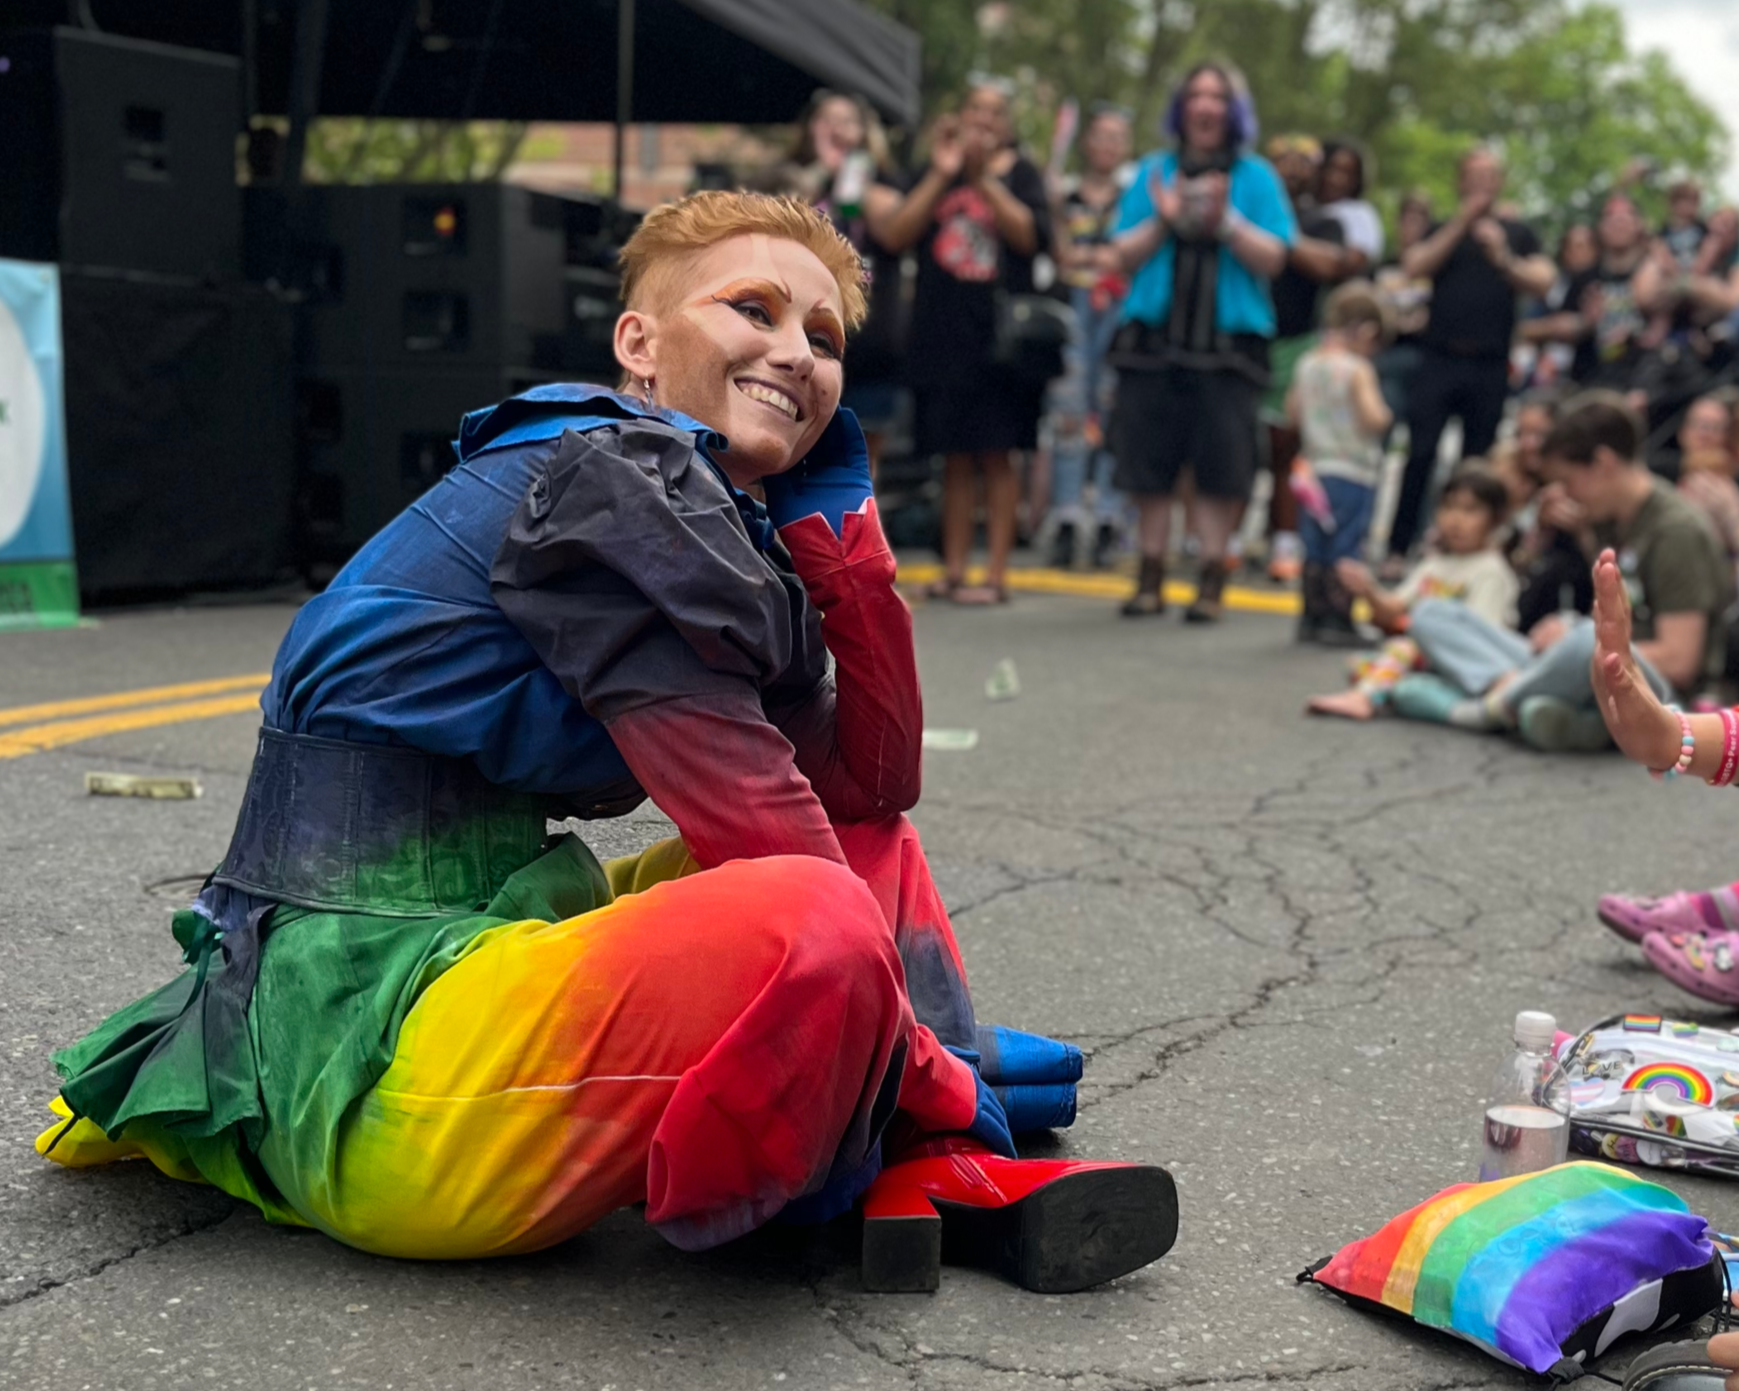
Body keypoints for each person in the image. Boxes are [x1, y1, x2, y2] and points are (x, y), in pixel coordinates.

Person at [32, 191, 1177, 1294]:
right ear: (637, 340)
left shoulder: (692, 507)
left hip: (496, 947)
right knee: (818, 916)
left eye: (822, 335)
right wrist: (930, 1064)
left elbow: (870, 788)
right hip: (368, 1054)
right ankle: (886, 1137)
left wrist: (848, 556)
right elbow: (759, 828)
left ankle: (903, 1155)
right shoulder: (606, 485)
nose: (795, 352)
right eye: (752, 309)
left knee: (862, 851)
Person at [1398, 395, 1731, 752]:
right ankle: (1550, 708)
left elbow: (1681, 661)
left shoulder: (1675, 530)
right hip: (1588, 671)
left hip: (1655, 693)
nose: (1565, 494)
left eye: (1568, 480)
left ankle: (1486, 709)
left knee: (1588, 640)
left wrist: (1573, 637)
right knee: (1431, 612)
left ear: (1602, 463)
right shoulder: (1605, 517)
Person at [1103, 61, 1296, 621]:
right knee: (1149, 461)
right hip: (1154, 339)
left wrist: (1226, 221)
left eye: (1219, 97)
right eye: (1196, 96)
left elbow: (1277, 256)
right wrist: (1165, 219)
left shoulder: (1256, 176)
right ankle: (1151, 574)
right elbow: (1121, 254)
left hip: (1229, 344)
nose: (1206, 106)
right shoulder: (1153, 170)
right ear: (1183, 108)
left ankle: (1212, 576)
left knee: (1222, 463)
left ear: (1232, 111)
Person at [865, 83, 1052, 605]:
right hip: (940, 335)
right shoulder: (934, 169)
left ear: (1008, 125)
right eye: (975, 110)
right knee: (952, 457)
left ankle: (995, 574)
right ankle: (954, 569)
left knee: (997, 453)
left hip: (1000, 341)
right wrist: (945, 172)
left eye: (995, 114)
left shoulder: (1020, 174)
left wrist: (981, 179)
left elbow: (1027, 236)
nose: (984, 121)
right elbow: (896, 234)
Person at [1387, 148, 1555, 563]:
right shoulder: (1444, 228)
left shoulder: (1517, 232)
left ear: (1500, 182)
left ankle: (1463, 547)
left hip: (1490, 363)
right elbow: (1414, 265)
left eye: (1489, 175)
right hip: (1439, 357)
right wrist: (1462, 222)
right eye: (1473, 175)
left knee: (1476, 461)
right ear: (1461, 182)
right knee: (1420, 453)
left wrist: (1502, 256)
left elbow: (1543, 280)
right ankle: (1398, 545)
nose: (1481, 182)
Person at [764, 90, 906, 476]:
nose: (838, 128)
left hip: (869, 339)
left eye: (848, 120)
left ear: (865, 131)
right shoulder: (789, 175)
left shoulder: (884, 180)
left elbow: (895, 231)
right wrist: (823, 172)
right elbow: (775, 224)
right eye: (828, 119)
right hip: (804, 339)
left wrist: (850, 174)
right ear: (811, 127)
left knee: (861, 457)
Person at [1307, 469, 1517, 721]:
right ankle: (1398, 688)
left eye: (1470, 510)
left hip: (1464, 662)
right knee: (1358, 664)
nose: (1456, 520)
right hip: (1428, 659)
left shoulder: (1490, 570)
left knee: (1402, 649)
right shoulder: (1434, 565)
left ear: (1495, 520)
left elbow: (1479, 636)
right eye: (1449, 508)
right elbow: (1393, 608)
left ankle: (1363, 698)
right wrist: (1368, 590)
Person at [1260, 134, 1350, 585]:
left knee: (1286, 447)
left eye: (1302, 162)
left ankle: (1285, 541)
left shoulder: (1323, 220)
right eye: (1282, 159)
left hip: (1296, 341)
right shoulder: (1247, 210)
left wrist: (1277, 229)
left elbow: (1330, 266)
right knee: (1235, 446)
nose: (1291, 169)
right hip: (1245, 338)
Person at [1047, 104, 1133, 571]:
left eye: (1117, 137)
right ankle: (1065, 517)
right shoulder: (1067, 194)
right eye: (1100, 135)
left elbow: (1129, 256)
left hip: (1118, 312)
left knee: (1111, 411)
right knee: (1069, 413)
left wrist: (1098, 260)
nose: (1107, 145)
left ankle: (1106, 518)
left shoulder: (1134, 195)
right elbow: (1060, 253)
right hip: (1075, 309)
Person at [1287, 280, 1391, 644]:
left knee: (1314, 544)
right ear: (1367, 330)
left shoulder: (1308, 362)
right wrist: (1384, 415)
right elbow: (1372, 417)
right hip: (1352, 471)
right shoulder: (1357, 369)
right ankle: (1338, 617)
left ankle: (1310, 615)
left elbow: (1293, 411)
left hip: (1313, 471)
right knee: (1346, 543)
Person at [1531, 194, 1652, 396]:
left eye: (1626, 216)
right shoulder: (1584, 279)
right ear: (1601, 228)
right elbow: (1557, 326)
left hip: (1645, 386)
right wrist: (1586, 322)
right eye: (1610, 216)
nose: (1618, 222)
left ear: (1639, 225)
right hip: (1590, 384)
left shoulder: (1656, 272)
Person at [1675, 394, 1739, 567]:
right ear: (1682, 433)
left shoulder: (1731, 487)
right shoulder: (1664, 480)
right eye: (1700, 425)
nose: (1705, 434)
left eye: (1716, 428)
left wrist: (1731, 513)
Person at [1316, 139, 1383, 277]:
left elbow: (1355, 261)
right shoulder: (1304, 205)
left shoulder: (1361, 213)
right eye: (1332, 168)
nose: (1337, 179)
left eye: (1347, 173)